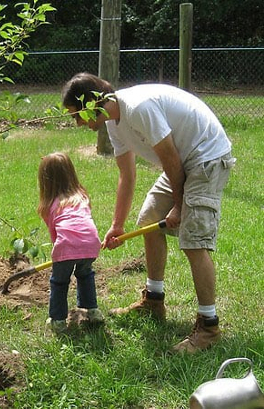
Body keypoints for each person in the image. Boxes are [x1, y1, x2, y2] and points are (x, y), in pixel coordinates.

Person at [62, 72, 235, 353]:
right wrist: (117, 225)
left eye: (77, 115)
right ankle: (154, 301)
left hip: (205, 158)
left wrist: (180, 206)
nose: (78, 122)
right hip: (180, 162)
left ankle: (209, 326)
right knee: (149, 221)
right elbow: (126, 176)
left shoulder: (138, 108)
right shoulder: (115, 123)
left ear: (92, 102)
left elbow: (171, 159)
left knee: (193, 240)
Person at [38, 152, 104, 335]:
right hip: (91, 244)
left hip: (66, 246)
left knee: (59, 282)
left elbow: (54, 234)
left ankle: (58, 321)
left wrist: (60, 254)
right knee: (85, 274)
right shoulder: (82, 197)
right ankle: (91, 310)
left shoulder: (50, 204)